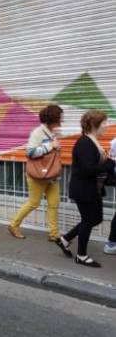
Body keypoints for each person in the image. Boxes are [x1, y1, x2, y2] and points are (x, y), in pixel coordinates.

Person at [59, 110, 115, 267]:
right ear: (93, 125)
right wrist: (110, 163)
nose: (106, 126)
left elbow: (94, 165)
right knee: (90, 219)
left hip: (90, 189)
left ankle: (65, 239)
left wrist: (108, 162)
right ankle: (81, 255)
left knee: (94, 218)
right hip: (84, 189)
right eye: (104, 123)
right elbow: (87, 169)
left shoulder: (92, 142)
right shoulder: (84, 143)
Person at [8, 105, 64, 245]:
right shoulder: (38, 132)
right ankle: (13, 225)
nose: (62, 119)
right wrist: (50, 146)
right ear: (53, 118)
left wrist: (55, 144)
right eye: (60, 116)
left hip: (53, 174)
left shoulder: (53, 132)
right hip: (38, 175)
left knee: (54, 203)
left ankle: (54, 234)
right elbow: (30, 153)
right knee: (34, 203)